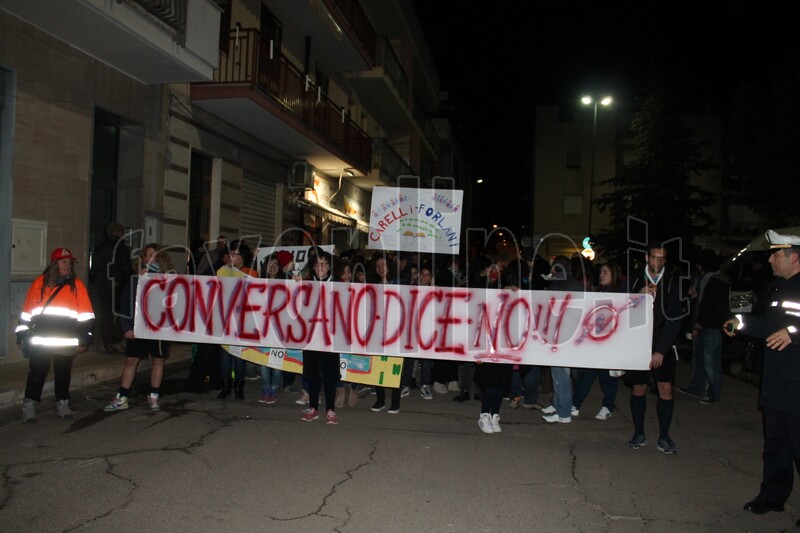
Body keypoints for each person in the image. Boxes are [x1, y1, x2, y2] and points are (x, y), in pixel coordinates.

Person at [724, 230, 800, 519]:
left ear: (794, 258)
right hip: (777, 382)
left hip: (797, 383)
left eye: (775, 255)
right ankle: (772, 496)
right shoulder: (780, 288)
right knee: (776, 445)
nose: (770, 259)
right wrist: (739, 322)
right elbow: (770, 324)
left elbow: (790, 328)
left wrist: (794, 334)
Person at [16, 248, 95, 422]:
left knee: (63, 374)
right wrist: (21, 335)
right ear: (55, 264)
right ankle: (29, 406)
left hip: (65, 342)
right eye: (64, 262)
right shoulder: (39, 284)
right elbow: (27, 313)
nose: (68, 265)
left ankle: (62, 404)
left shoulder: (76, 286)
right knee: (36, 373)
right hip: (40, 342)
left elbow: (86, 315)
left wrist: (84, 339)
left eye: (69, 262)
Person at [624, 243, 683, 454]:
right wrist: (637, 297)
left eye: (662, 258)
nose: (658, 262)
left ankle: (664, 437)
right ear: (646, 257)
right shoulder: (634, 281)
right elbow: (621, 312)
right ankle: (638, 433)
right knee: (638, 388)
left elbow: (675, 321)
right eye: (654, 257)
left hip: (662, 346)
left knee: (665, 390)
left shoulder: (673, 284)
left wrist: (661, 350)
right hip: (638, 345)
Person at [104, 244, 174, 412]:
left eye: (153, 255)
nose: (148, 258)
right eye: (146, 255)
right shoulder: (136, 279)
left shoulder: (169, 280)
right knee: (131, 360)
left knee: (157, 360)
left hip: (158, 329)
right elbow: (126, 304)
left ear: (160, 258)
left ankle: (154, 395)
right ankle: (122, 397)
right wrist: (127, 327)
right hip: (138, 327)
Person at [571, 262, 625, 420]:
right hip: (596, 343)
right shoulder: (598, 293)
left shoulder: (620, 295)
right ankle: (576, 403)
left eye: (605, 272)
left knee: (608, 378)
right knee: (586, 376)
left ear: (614, 275)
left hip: (610, 345)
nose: (601, 275)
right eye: (601, 272)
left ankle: (608, 406)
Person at [678, 255, 730, 404]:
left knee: (710, 362)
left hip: (710, 327)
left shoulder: (714, 281)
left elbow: (708, 305)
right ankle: (696, 388)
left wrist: (699, 324)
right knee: (700, 360)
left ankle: (712, 393)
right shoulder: (713, 279)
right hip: (707, 326)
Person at [300, 251, 341, 424]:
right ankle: (313, 408)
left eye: (324, 263)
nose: (321, 267)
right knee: (312, 374)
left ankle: (330, 409)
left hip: (331, 338)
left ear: (330, 266)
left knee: (330, 375)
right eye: (317, 264)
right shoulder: (306, 285)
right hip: (310, 337)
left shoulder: (340, 286)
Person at [541, 255, 582, 424]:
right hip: (567, 335)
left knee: (560, 374)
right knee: (561, 373)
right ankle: (560, 403)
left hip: (562, 336)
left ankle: (563, 412)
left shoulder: (561, 285)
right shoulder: (573, 284)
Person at [216, 240, 258, 400]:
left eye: (235, 254)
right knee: (225, 356)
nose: (232, 257)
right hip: (225, 319)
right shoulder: (222, 271)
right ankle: (226, 387)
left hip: (243, 321)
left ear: (243, 257)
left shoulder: (251, 273)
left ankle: (239, 387)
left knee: (239, 356)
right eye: (231, 253)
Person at [90, 222, 131, 353]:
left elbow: (94, 267)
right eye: (122, 232)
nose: (123, 234)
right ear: (117, 233)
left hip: (102, 285)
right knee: (126, 311)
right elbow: (125, 268)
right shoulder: (121, 248)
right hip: (118, 284)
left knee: (106, 314)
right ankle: (115, 339)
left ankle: (107, 341)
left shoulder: (99, 247)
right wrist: (129, 282)